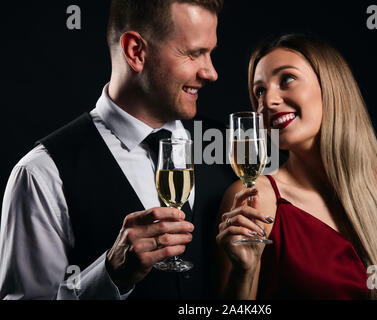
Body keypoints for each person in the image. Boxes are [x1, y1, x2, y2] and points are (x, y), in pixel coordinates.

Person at [0, 0, 234, 300]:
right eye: (193, 53)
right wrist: (109, 275)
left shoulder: (227, 149)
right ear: (136, 51)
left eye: (210, 53)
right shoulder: (41, 173)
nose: (211, 73)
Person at [216, 34, 377, 300]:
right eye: (259, 91)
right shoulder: (257, 199)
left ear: (331, 87)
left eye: (287, 79)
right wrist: (243, 272)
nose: (267, 102)